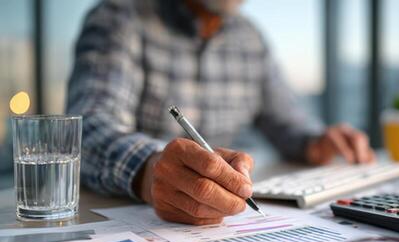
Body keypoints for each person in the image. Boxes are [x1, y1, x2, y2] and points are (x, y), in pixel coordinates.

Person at [67, 0, 375, 225]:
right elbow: (88, 129)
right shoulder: (120, 16)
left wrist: (316, 141)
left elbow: (287, 122)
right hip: (123, 221)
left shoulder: (250, 38)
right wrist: (151, 170)